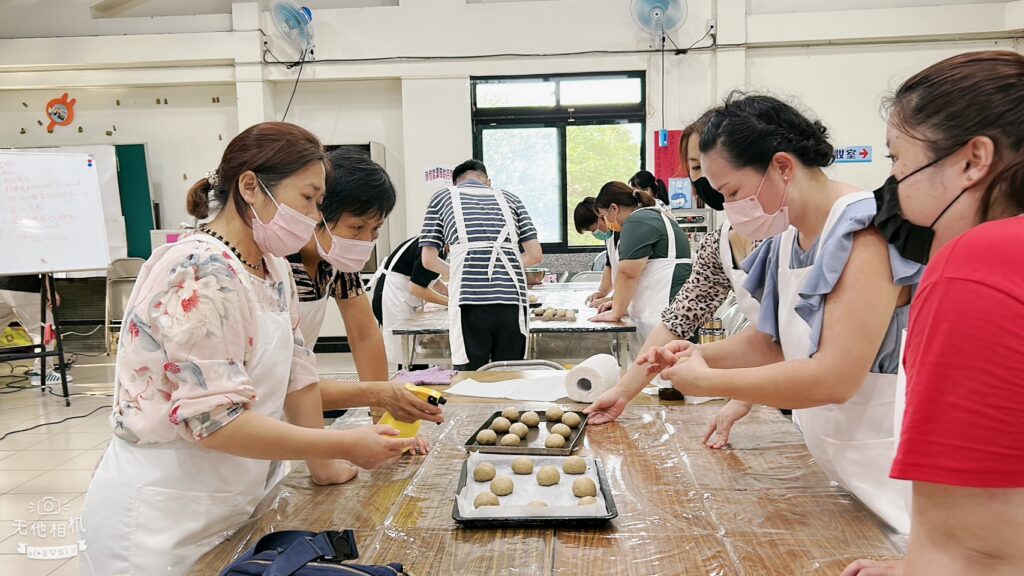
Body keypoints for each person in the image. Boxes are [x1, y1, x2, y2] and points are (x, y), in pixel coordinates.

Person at [80, 123, 420, 576]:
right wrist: (342, 443)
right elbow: (214, 422)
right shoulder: (198, 269)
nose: (312, 215)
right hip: (163, 513)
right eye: (307, 199)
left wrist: (328, 465)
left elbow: (298, 380)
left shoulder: (273, 269)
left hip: (235, 498)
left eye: (319, 203)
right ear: (250, 187)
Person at [635, 94, 923, 534]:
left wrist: (711, 381)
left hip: (890, 471)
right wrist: (696, 354)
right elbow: (770, 343)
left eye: (732, 192)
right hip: (840, 463)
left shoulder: (863, 232)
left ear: (783, 166)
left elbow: (835, 377)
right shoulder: (788, 240)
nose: (730, 207)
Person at [843, 50, 1024, 576]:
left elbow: (975, 555)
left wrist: (934, 561)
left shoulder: (977, 265)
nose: (893, 181)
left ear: (973, 160)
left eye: (897, 159)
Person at [584, 108, 764, 437]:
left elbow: (816, 356)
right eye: (696, 167)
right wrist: (623, 393)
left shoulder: (808, 232)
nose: (705, 181)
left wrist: (720, 380)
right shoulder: (721, 241)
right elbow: (679, 319)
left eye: (732, 189)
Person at [420, 159, 542, 370]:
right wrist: (503, 268)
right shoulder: (511, 199)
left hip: (469, 303)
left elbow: (428, 260)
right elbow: (535, 255)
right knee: (509, 374)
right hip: (512, 303)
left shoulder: (443, 197)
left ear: (456, 183)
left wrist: (460, 270)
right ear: (488, 181)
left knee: (470, 376)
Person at [289, 147, 392, 382]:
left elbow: (365, 334)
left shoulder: (334, 262)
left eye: (376, 228)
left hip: (294, 392)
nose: (367, 239)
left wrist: (380, 407)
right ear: (318, 211)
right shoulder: (278, 260)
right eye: (357, 227)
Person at [589, 182, 692, 346]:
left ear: (614, 209)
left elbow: (628, 273)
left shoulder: (638, 221)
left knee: (664, 366)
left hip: (663, 311)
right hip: (663, 310)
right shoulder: (652, 216)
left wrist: (616, 312)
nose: (605, 221)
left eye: (603, 215)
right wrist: (617, 301)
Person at [370, 236, 449, 367]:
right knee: (409, 356)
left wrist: (449, 294)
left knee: (416, 354)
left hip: (400, 296)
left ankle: (417, 381)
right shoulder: (433, 248)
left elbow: (429, 278)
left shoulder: (436, 245)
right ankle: (409, 385)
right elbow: (417, 288)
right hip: (392, 297)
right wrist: (449, 302)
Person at [573, 197, 617, 308]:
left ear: (601, 216)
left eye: (593, 229)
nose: (595, 233)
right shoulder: (609, 237)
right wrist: (602, 293)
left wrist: (613, 299)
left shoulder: (623, 233)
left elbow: (629, 273)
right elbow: (610, 265)